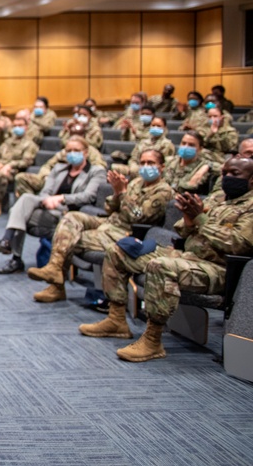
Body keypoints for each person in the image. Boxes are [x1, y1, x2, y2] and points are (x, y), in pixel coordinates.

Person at [83, 155, 253, 362]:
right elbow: (182, 229)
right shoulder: (219, 199)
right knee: (118, 251)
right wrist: (190, 219)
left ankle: (153, 340)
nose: (227, 178)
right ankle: (116, 319)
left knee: (160, 266)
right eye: (225, 173)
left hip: (218, 269)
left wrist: (200, 218)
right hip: (189, 256)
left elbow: (237, 243)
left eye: (235, 174)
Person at [25, 150, 174, 303]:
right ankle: (54, 268)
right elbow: (109, 208)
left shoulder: (163, 191)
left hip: (127, 232)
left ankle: (56, 286)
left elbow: (138, 216)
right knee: (72, 216)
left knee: (68, 238)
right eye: (142, 163)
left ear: (161, 167)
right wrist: (116, 194)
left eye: (150, 163)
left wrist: (122, 193)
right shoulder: (136, 182)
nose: (145, 166)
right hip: (110, 222)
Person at [0, 136, 106, 274]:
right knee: (24, 200)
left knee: (17, 212)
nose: (72, 153)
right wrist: (48, 200)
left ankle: (10, 246)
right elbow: (45, 192)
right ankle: (11, 248)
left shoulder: (96, 171)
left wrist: (61, 198)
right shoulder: (59, 168)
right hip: (49, 208)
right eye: (68, 150)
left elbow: (89, 196)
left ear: (86, 152)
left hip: (69, 214)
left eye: (76, 150)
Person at [14, 121, 106, 197]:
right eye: (72, 134)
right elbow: (48, 165)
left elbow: (99, 166)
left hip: (78, 180)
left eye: (79, 135)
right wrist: (46, 176)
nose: (72, 153)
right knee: (21, 178)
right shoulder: (64, 152)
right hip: (53, 178)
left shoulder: (91, 151)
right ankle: (35, 203)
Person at [111, 114, 175, 178]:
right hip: (138, 168)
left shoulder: (167, 144)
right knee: (113, 168)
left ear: (164, 128)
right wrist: (133, 166)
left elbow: (166, 164)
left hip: (154, 172)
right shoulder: (143, 142)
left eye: (158, 126)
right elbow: (133, 159)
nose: (155, 128)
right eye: (153, 125)